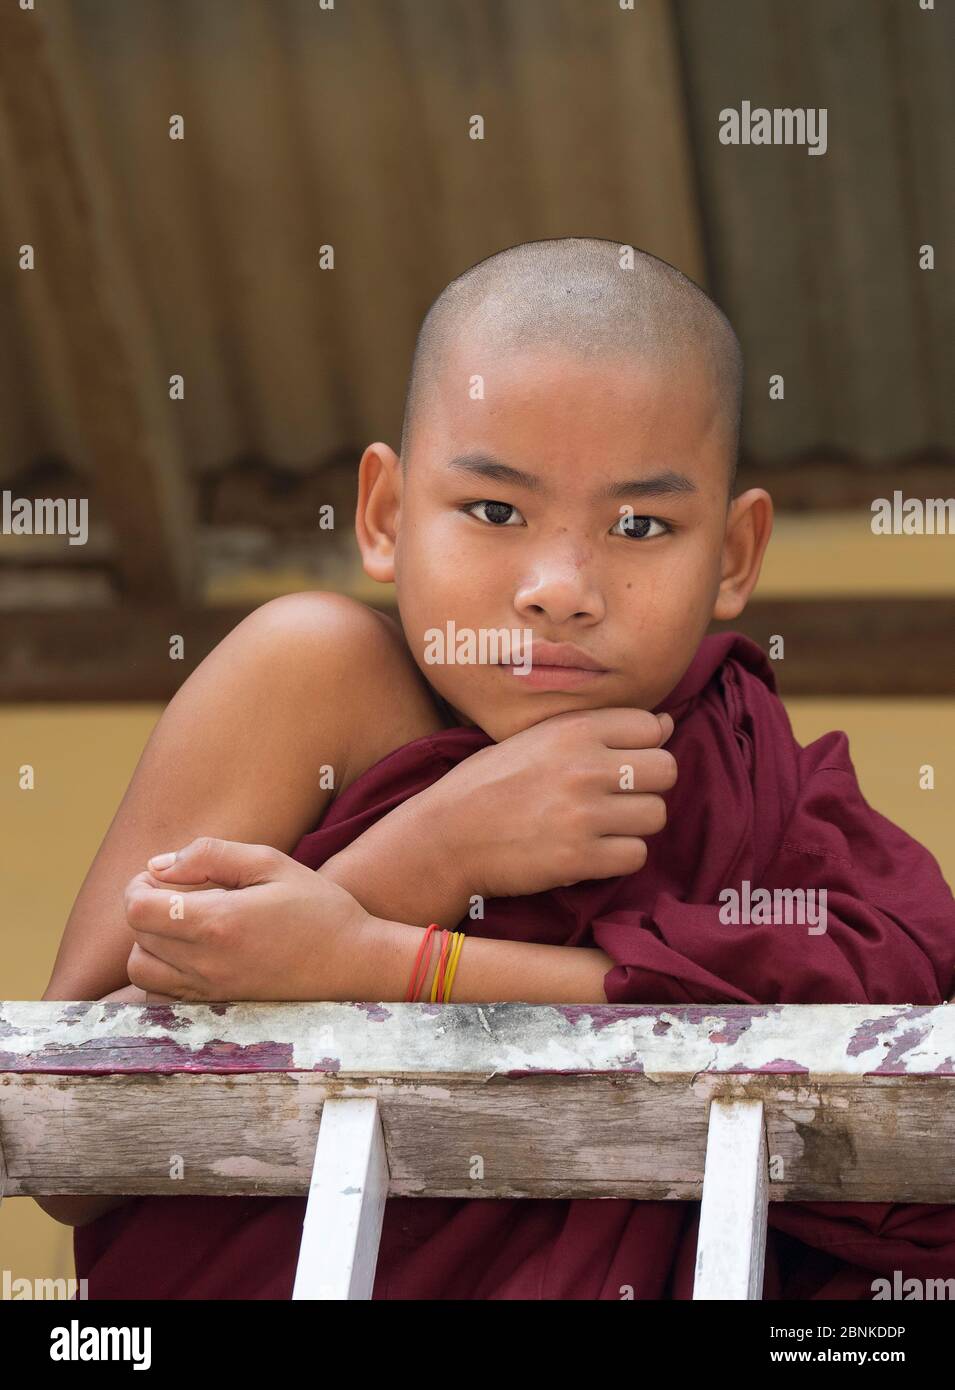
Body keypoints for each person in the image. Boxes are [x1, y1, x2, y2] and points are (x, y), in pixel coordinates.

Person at [41, 238, 955, 1297]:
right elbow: (70, 1128)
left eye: (640, 524)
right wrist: (433, 850)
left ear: (735, 556)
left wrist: (385, 961)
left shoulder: (746, 769)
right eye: (494, 511)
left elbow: (869, 1017)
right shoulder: (315, 677)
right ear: (383, 515)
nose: (561, 587)